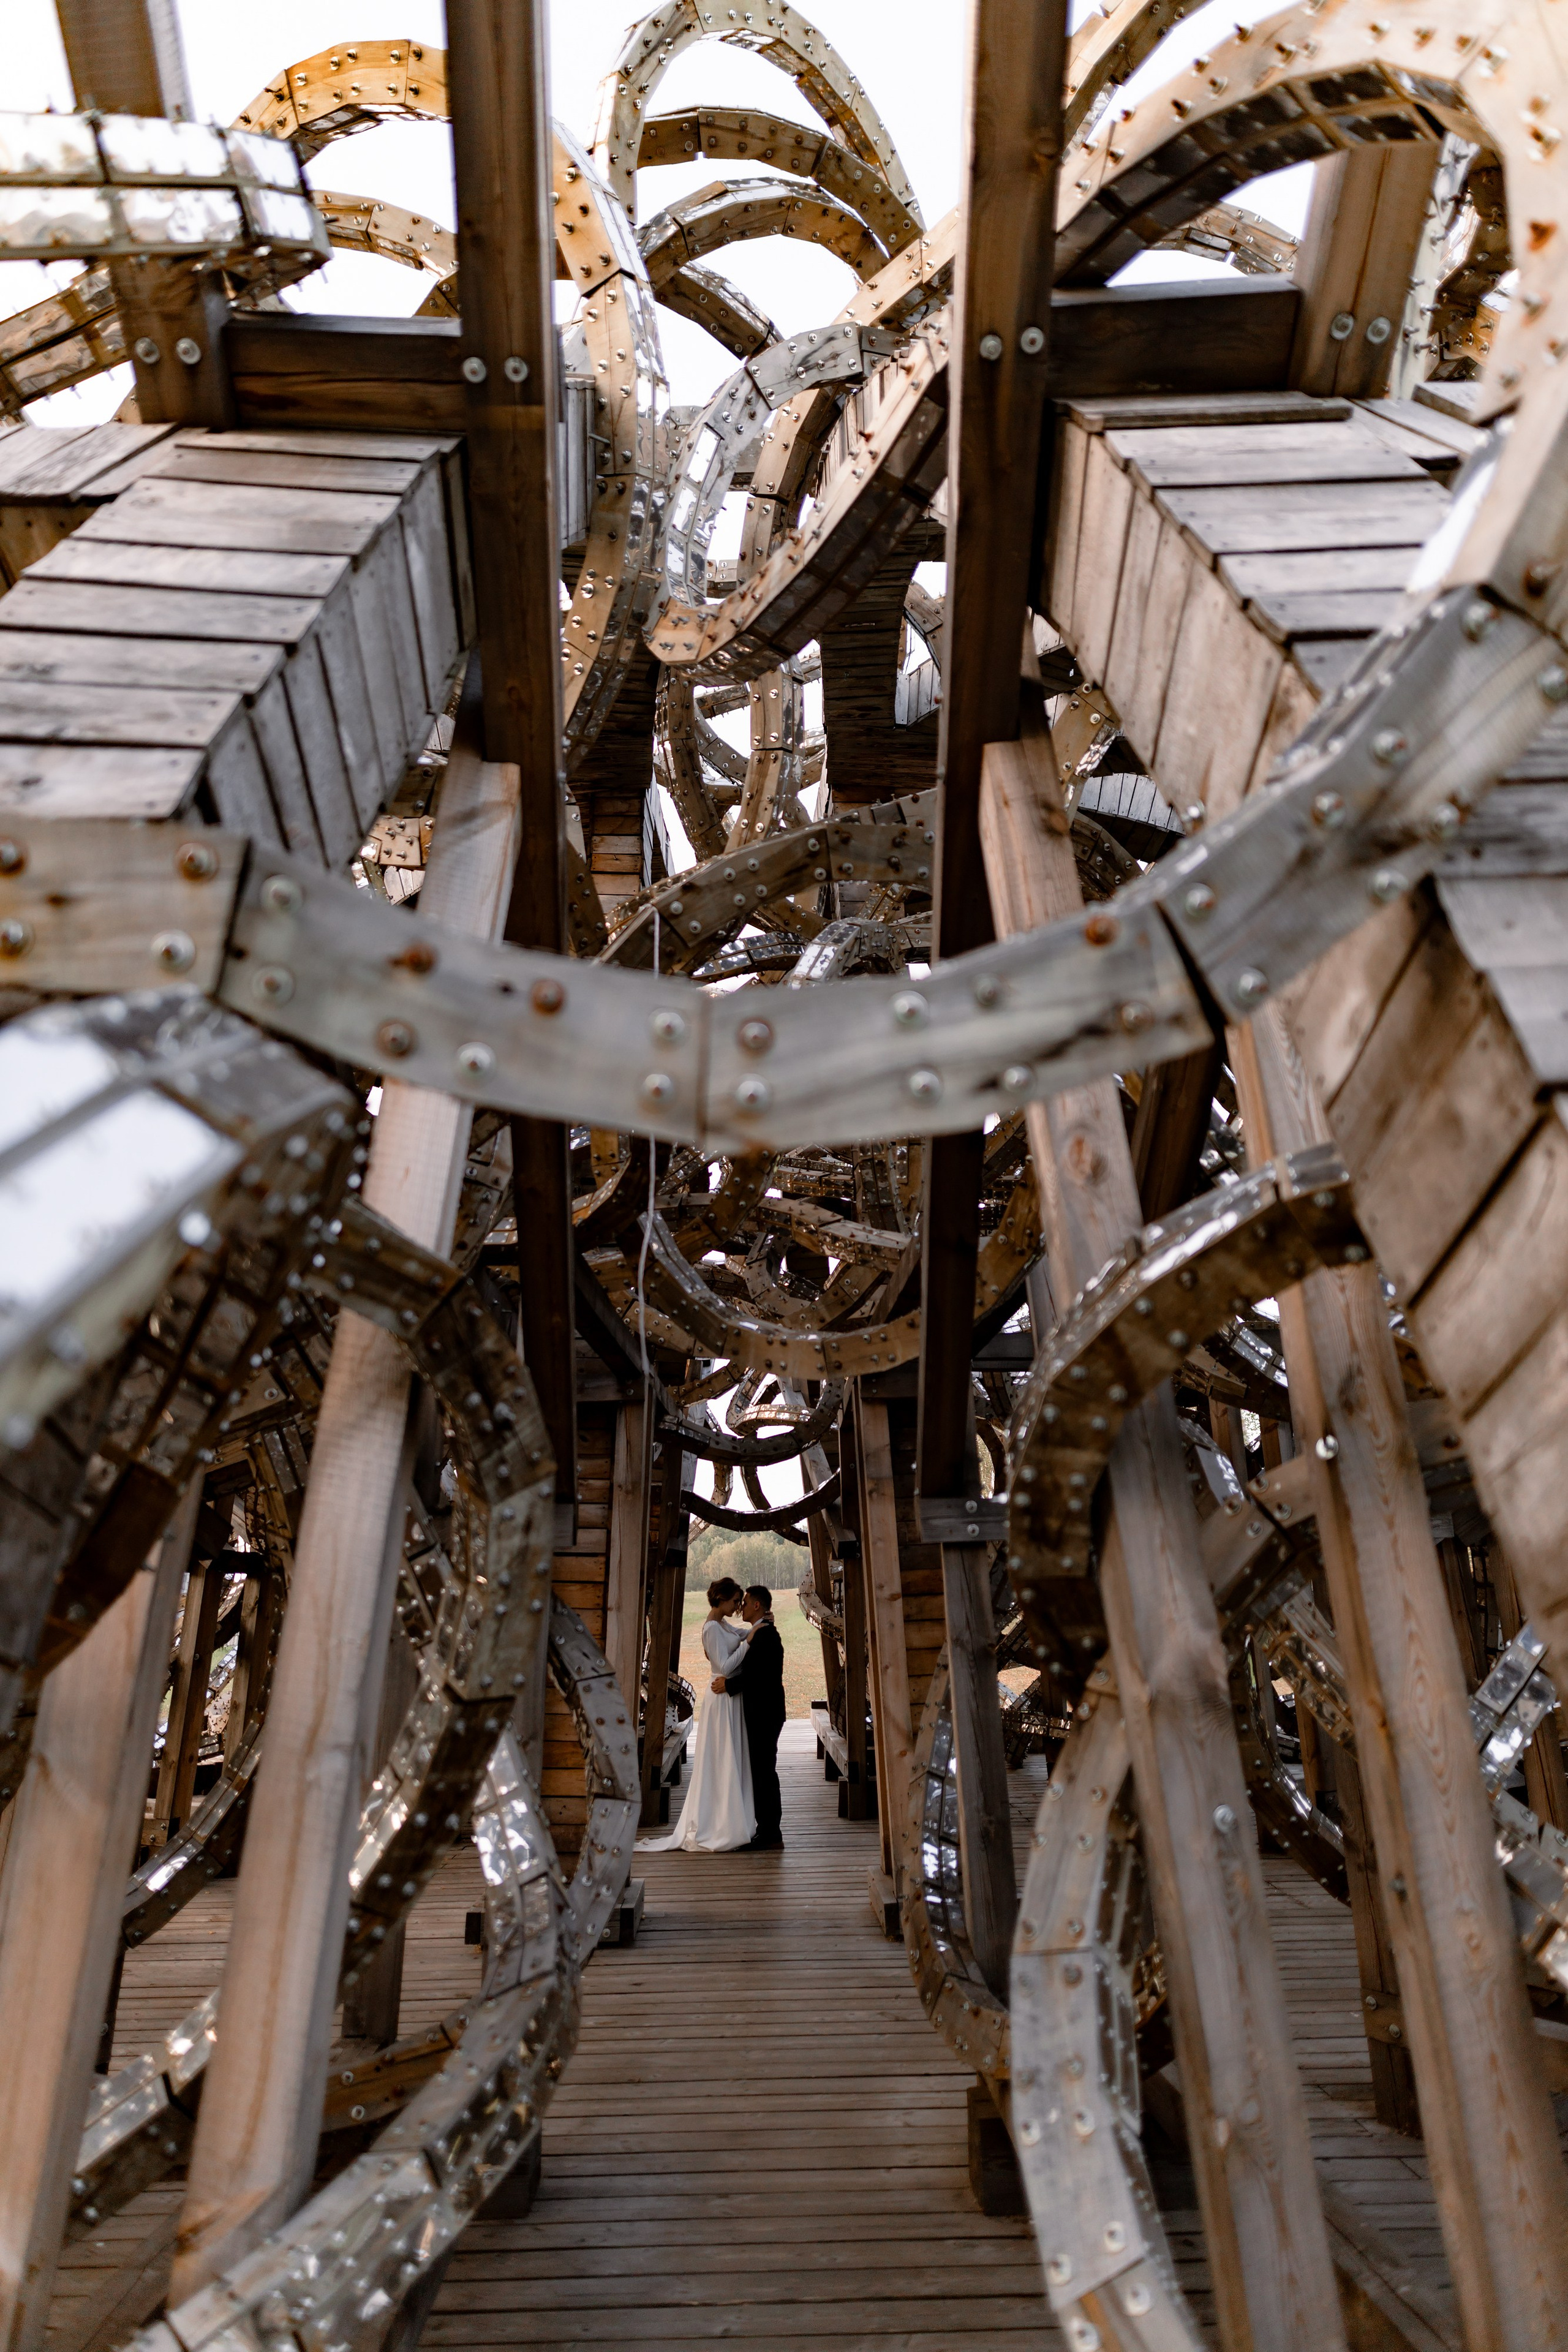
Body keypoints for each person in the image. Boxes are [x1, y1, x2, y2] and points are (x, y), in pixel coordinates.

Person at [638, 1578, 756, 1852]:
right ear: (722, 1599)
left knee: (731, 1756)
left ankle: (731, 1818)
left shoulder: (723, 1624)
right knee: (720, 1757)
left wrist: (756, 1627)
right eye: (736, 1601)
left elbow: (739, 1634)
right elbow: (725, 1666)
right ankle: (716, 1824)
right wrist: (748, 1644)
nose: (738, 1606)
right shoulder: (711, 1629)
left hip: (730, 1698)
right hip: (721, 1696)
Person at [712, 1585, 786, 1850]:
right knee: (761, 1770)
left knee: (764, 1771)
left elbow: (759, 1676)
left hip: (765, 1713)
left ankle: (770, 1833)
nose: (741, 1607)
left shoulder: (766, 1635)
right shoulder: (762, 1630)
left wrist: (729, 1686)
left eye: (745, 1603)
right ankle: (765, 1828)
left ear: (757, 1606)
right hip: (764, 1711)